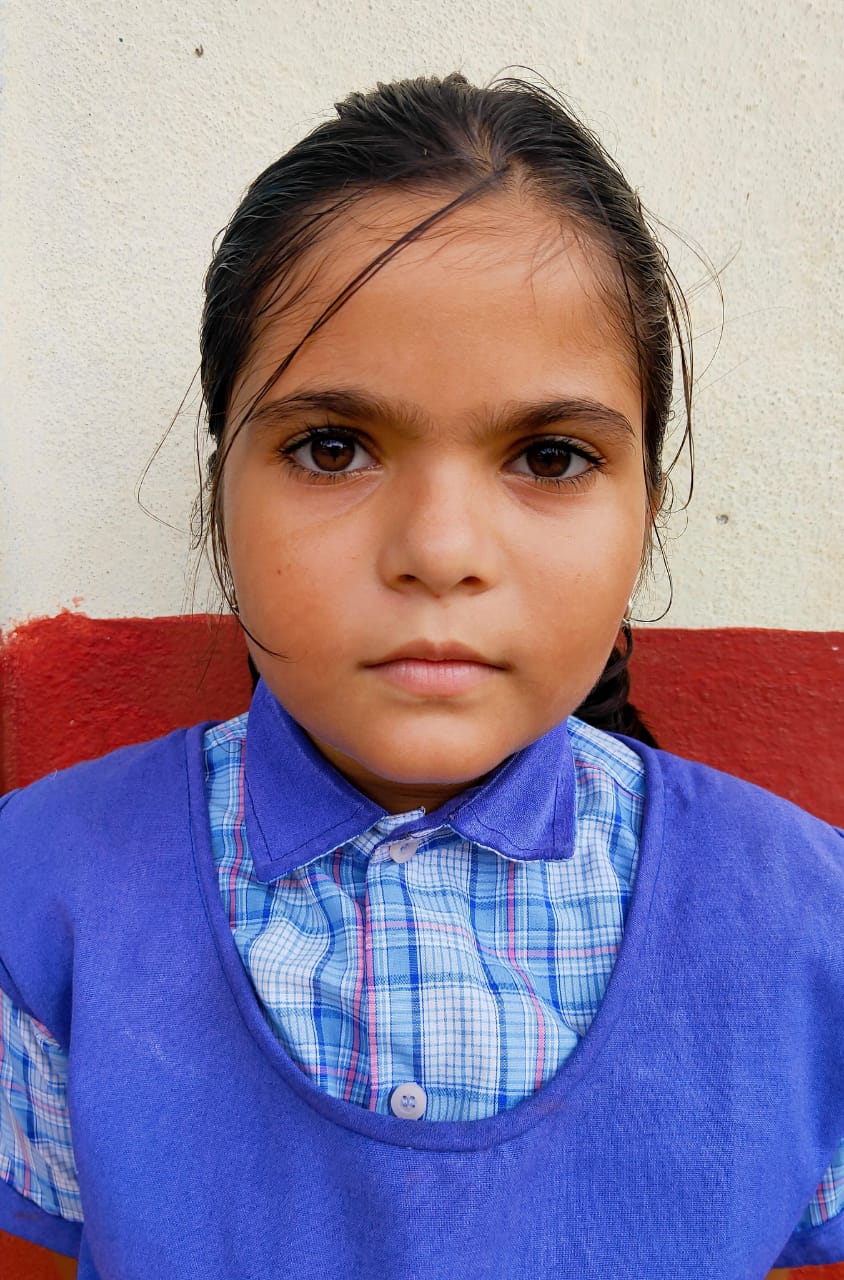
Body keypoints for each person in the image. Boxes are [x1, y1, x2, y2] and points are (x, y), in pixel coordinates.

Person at [0, 73, 841, 1280]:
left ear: (646, 511)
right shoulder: (39, 897)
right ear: (218, 490)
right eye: (331, 446)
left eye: (548, 456)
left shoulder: (810, 928)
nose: (439, 551)